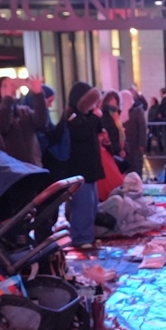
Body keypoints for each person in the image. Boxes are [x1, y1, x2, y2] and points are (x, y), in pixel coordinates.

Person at [58, 82, 105, 248]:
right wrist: (94, 117)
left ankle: (88, 235)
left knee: (91, 205)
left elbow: (96, 129)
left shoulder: (86, 115)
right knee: (82, 205)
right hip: (79, 169)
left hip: (89, 169)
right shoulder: (72, 117)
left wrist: (95, 115)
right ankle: (81, 237)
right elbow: (81, 133)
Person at [0, 76, 47, 167]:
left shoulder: (24, 111)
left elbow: (41, 123)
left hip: (33, 167)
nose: (11, 88)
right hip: (12, 169)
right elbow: (3, 126)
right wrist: (8, 98)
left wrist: (38, 94)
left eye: (12, 85)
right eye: (5, 86)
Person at [121, 88, 148, 181]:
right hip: (125, 144)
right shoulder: (120, 110)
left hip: (136, 143)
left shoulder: (137, 110)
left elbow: (142, 127)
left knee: (136, 167)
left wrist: (142, 143)